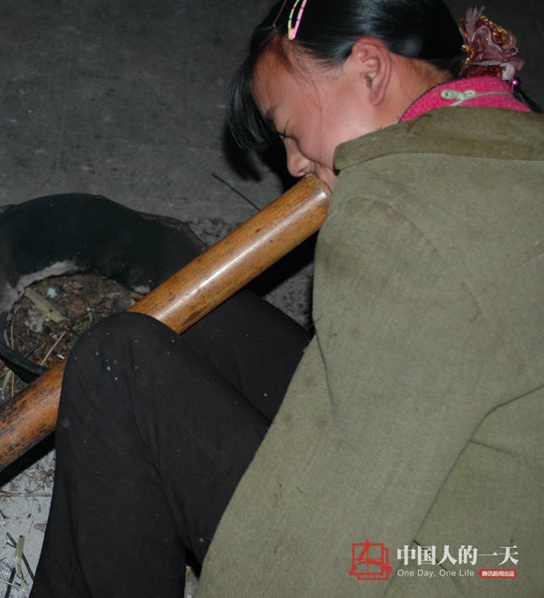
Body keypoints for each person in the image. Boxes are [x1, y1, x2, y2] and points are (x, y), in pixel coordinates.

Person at [30, 0, 544, 595]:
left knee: (114, 363)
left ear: (370, 69)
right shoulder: (512, 136)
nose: (296, 163)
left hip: (460, 571)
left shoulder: (394, 219)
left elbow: (325, 539)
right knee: (202, 322)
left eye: (289, 130)